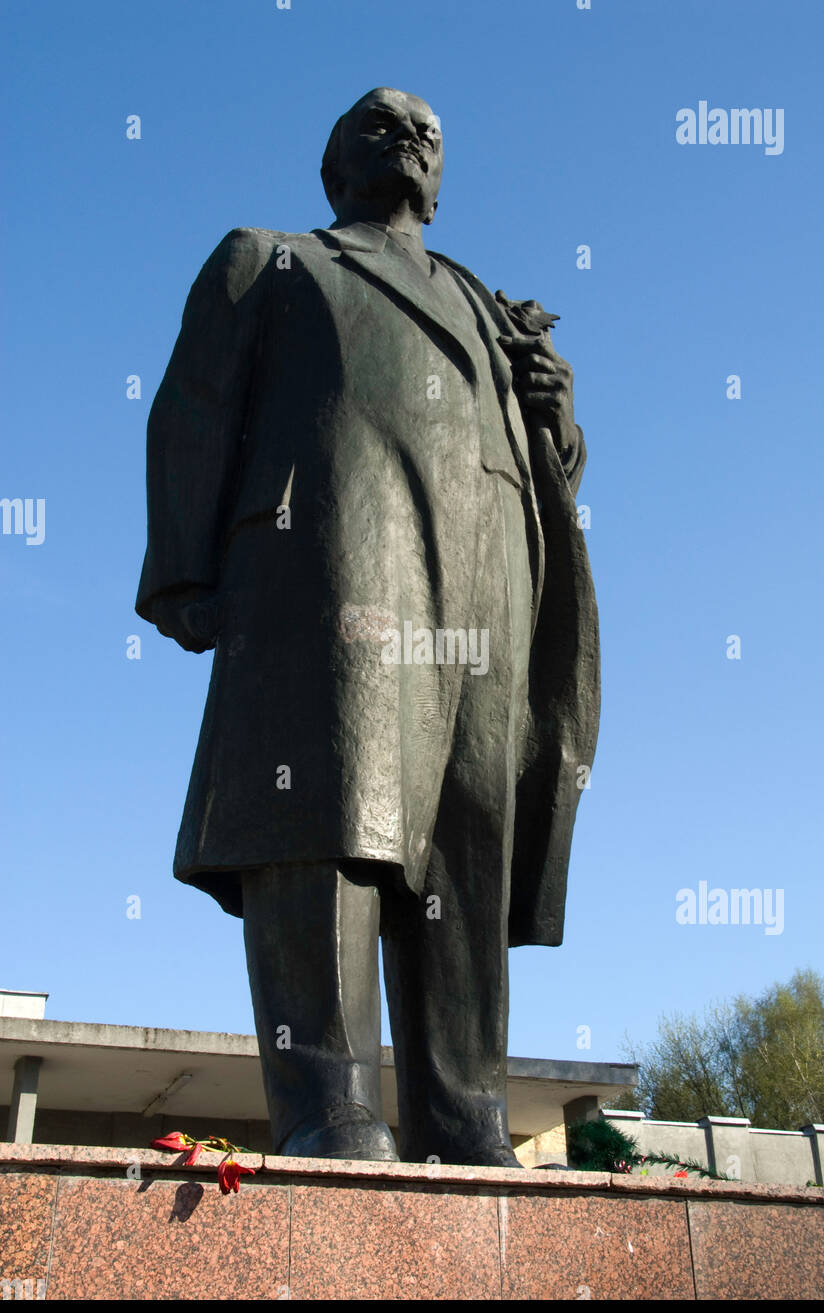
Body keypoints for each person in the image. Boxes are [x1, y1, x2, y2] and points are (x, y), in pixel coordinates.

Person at [136, 87, 599, 1165]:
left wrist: (559, 418)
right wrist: (184, 573)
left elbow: (549, 474)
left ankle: (464, 1104)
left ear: (443, 178)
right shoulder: (274, 258)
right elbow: (192, 408)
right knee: (330, 813)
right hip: (331, 561)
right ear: (332, 167)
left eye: (431, 132)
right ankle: (330, 1099)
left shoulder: (488, 307)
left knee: (465, 838)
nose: (412, 138)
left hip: (486, 578)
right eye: (379, 124)